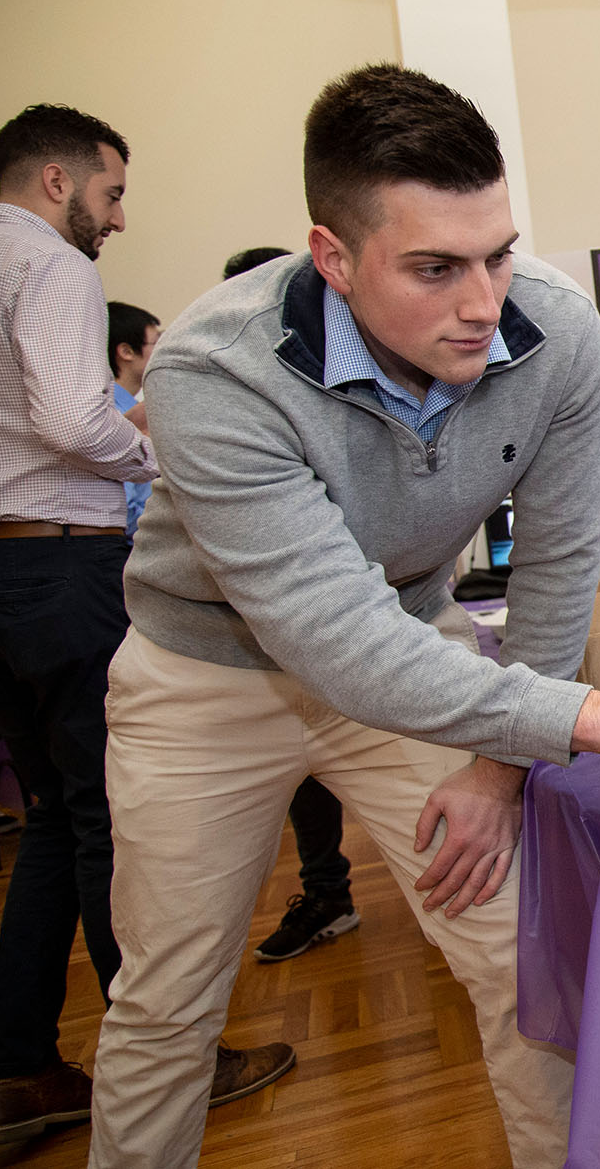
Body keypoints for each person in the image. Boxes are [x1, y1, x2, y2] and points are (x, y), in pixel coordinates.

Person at [90, 64, 600, 1168]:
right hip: (204, 673)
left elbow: (554, 567)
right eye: (434, 267)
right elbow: (333, 639)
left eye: (498, 251)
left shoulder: (554, 336)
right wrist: (595, 716)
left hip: (411, 641)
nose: (484, 301)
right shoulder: (214, 371)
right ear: (333, 257)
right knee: (166, 1004)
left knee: (528, 967)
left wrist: (501, 769)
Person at [0, 104, 291, 1148]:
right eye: (110, 194)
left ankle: (15, 1070)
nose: (115, 220)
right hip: (60, 561)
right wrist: (159, 445)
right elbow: (71, 418)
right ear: (57, 181)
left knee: (57, 824)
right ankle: (164, 1057)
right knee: (116, 816)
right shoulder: (50, 266)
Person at [216, 247, 366, 964]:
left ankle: (329, 891)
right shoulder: (223, 394)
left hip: (349, 651)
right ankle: (326, 890)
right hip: (240, 658)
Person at [104, 301, 159, 539]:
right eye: (157, 343)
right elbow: (122, 508)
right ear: (126, 352)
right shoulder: (111, 413)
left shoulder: (132, 407)